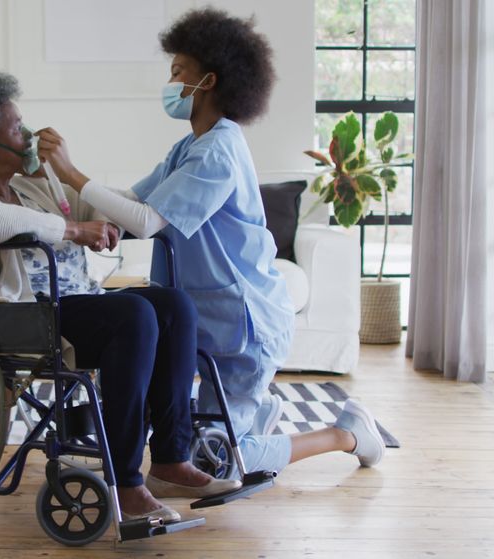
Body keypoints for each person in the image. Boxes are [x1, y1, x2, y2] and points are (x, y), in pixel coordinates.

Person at [37, 8, 387, 476]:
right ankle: (250, 416)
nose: (171, 82)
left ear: (210, 80)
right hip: (210, 316)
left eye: (179, 71)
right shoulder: (191, 146)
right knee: (184, 415)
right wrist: (63, 209)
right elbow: (131, 201)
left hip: (245, 320)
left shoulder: (218, 152)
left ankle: (347, 434)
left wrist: (71, 172)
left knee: (223, 464)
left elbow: (145, 221)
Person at [0, 70, 240, 522]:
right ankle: (126, 481)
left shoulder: (35, 187)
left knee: (173, 305)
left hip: (67, 309)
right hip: (13, 317)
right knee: (133, 314)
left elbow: (111, 206)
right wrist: (72, 229)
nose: (31, 133)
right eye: (18, 127)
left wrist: (77, 180)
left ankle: (170, 461)